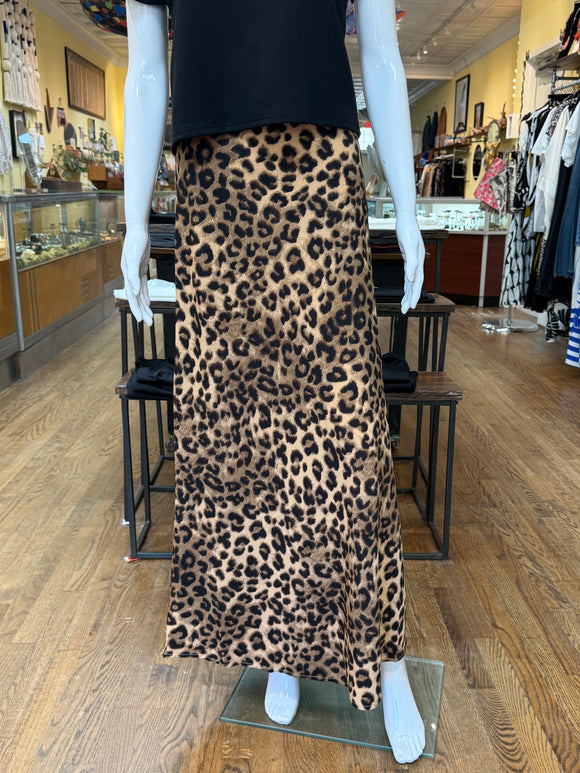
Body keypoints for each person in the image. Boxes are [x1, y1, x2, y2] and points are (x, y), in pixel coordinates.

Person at [122, 0, 426, 764]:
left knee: (350, 438)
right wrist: (133, 221)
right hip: (212, 189)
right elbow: (147, 69)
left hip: (318, 173)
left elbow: (382, 56)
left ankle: (387, 659)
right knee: (244, 443)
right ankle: (278, 643)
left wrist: (408, 210)